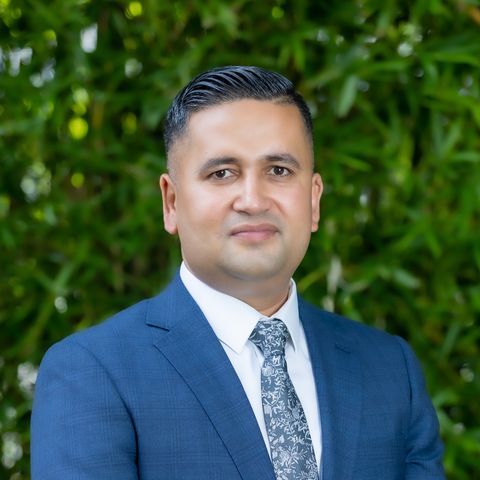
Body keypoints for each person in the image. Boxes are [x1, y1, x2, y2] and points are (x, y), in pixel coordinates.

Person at [30, 66, 445, 480]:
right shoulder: (93, 372)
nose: (252, 200)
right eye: (222, 173)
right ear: (171, 202)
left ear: (314, 200)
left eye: (279, 170)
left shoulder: (390, 369)